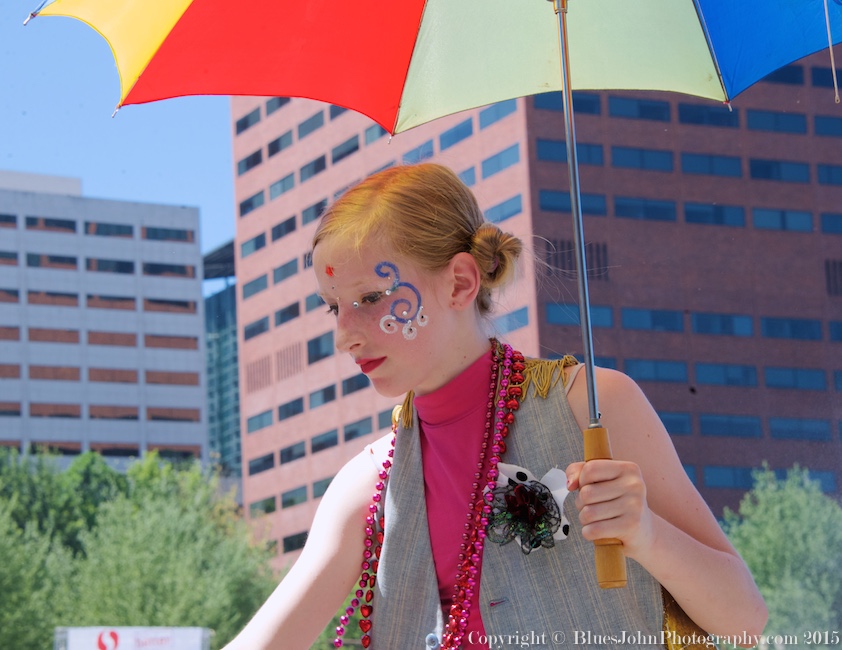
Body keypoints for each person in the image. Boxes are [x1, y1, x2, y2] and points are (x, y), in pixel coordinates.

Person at [223, 163, 767, 650]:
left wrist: (648, 534)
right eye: (333, 308)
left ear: (460, 282)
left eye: (369, 299)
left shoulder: (594, 406)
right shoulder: (365, 487)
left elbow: (745, 621)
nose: (344, 336)